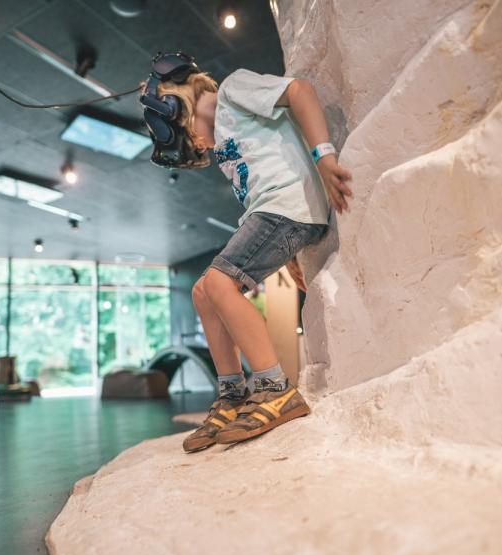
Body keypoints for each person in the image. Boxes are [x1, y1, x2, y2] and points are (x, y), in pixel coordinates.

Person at [147, 61, 353, 452]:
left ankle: (274, 388)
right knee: (202, 292)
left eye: (186, 137)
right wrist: (288, 251)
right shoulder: (224, 131)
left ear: (176, 104)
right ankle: (233, 394)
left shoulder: (232, 89)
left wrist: (324, 156)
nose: (200, 147)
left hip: (286, 206)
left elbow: (300, 91)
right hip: (275, 214)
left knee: (219, 282)